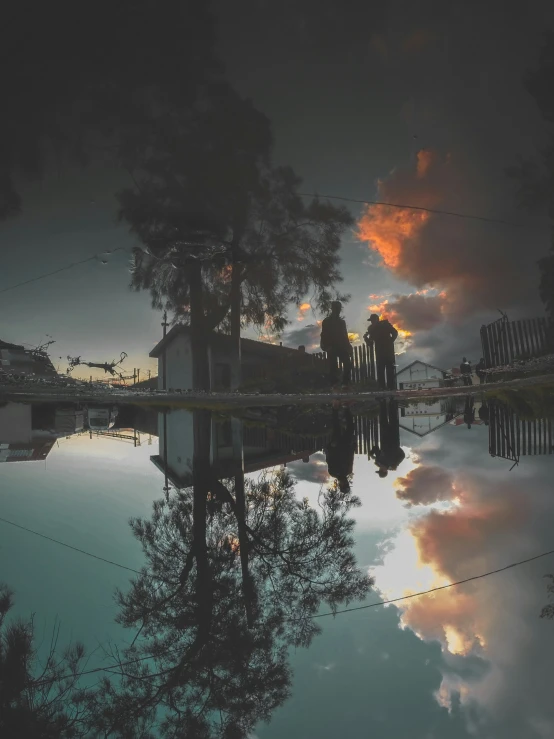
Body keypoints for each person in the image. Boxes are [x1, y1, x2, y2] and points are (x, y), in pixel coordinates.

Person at [320, 301, 353, 386]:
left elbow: (345, 335)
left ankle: (345, 384)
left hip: (342, 347)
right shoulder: (326, 321)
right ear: (332, 309)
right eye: (335, 308)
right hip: (331, 347)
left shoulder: (342, 322)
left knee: (347, 364)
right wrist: (326, 346)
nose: (337, 310)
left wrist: (348, 346)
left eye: (338, 309)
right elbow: (323, 335)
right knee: (333, 367)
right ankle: (334, 385)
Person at [370, 399, 405, 477]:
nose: (380, 469)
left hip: (384, 437)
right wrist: (396, 448)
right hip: (394, 438)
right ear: (386, 471)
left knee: (383, 419)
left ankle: (382, 402)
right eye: (382, 470)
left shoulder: (378, 461)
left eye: (379, 470)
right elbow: (402, 455)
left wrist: (371, 454)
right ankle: (392, 403)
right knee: (393, 419)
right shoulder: (393, 464)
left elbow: (375, 448)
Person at [326, 403, 356, 492]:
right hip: (346, 445)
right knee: (350, 427)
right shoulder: (348, 471)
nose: (345, 483)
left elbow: (329, 459)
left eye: (344, 485)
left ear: (340, 485)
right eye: (347, 484)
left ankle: (335, 408)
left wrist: (330, 446)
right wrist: (353, 446)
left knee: (336, 427)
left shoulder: (333, 472)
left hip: (336, 446)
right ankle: (346, 408)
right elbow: (351, 458)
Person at [364, 314, 398, 390]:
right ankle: (383, 389)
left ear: (377, 320)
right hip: (381, 353)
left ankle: (390, 389)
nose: (372, 322)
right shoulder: (372, 329)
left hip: (386, 353)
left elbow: (395, 333)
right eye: (371, 321)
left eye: (373, 320)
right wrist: (366, 338)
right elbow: (370, 343)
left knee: (389, 372)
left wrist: (390, 341)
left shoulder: (384, 325)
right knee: (381, 373)